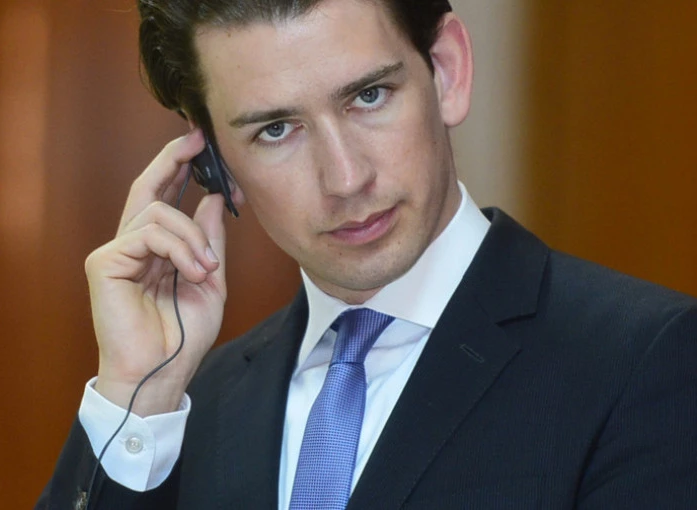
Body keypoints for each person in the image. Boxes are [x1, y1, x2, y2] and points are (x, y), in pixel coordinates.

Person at [38, 0, 697, 508]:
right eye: (276, 130)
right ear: (214, 161)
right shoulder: (192, 406)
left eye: (368, 96)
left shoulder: (645, 360)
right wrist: (136, 395)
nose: (345, 178)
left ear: (447, 71)